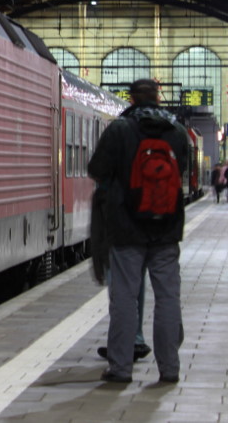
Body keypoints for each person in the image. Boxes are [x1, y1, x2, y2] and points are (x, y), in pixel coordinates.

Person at [88, 79, 189, 384]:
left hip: (126, 228)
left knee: (125, 299)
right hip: (167, 228)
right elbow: (181, 170)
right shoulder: (178, 131)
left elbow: (97, 169)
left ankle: (121, 368)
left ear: (131, 98)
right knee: (168, 298)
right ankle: (169, 369)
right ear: (158, 97)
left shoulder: (120, 129)